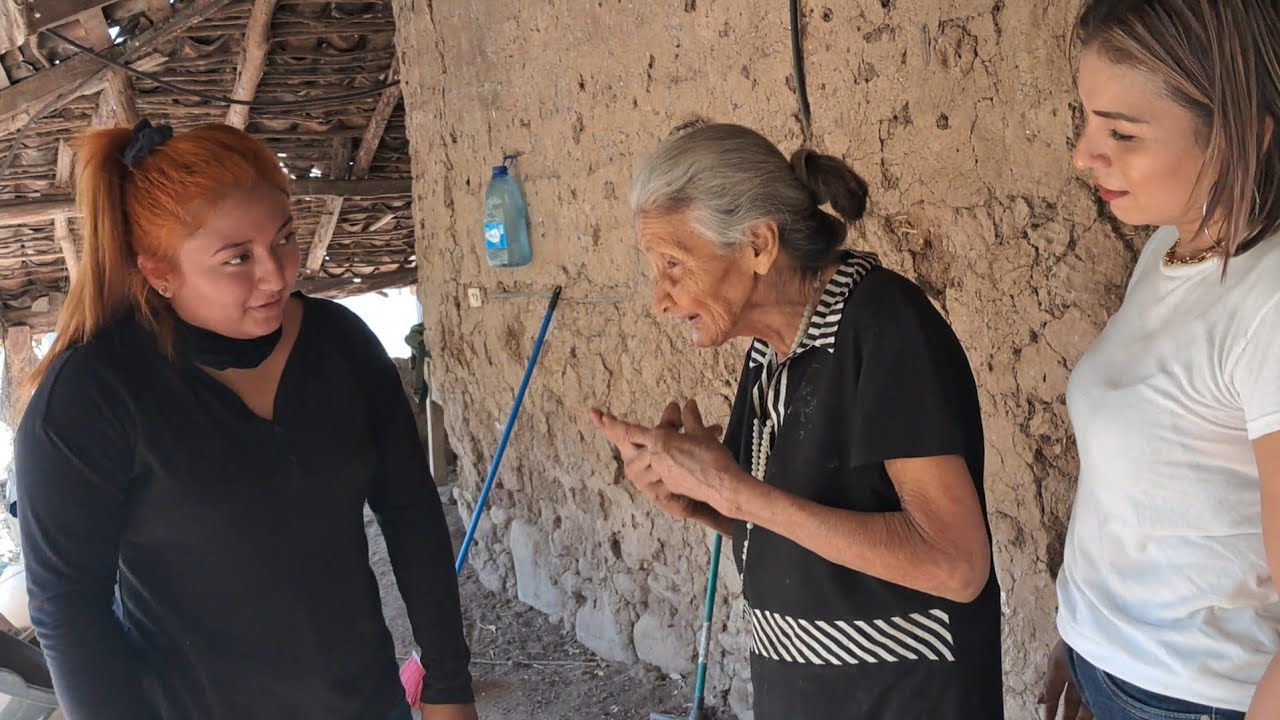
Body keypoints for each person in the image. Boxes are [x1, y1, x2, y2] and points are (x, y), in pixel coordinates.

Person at [14, 120, 477, 720]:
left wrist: (447, 683)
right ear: (159, 272)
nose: (277, 273)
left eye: (284, 239)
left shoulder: (339, 346)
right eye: (237, 258)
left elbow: (412, 512)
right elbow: (69, 607)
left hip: (364, 701)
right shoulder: (91, 398)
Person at [591, 122, 1004, 719]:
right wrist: (702, 501)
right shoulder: (770, 352)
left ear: (759, 245)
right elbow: (807, 534)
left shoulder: (884, 327)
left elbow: (956, 564)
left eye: (674, 265)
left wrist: (733, 491)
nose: (659, 298)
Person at [1038, 2, 1280, 719]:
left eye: (1122, 132)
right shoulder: (1167, 250)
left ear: (1243, 138)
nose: (1085, 154)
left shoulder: (1268, 304)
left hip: (1190, 696)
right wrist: (1082, 640)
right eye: (1087, 120)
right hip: (1113, 667)